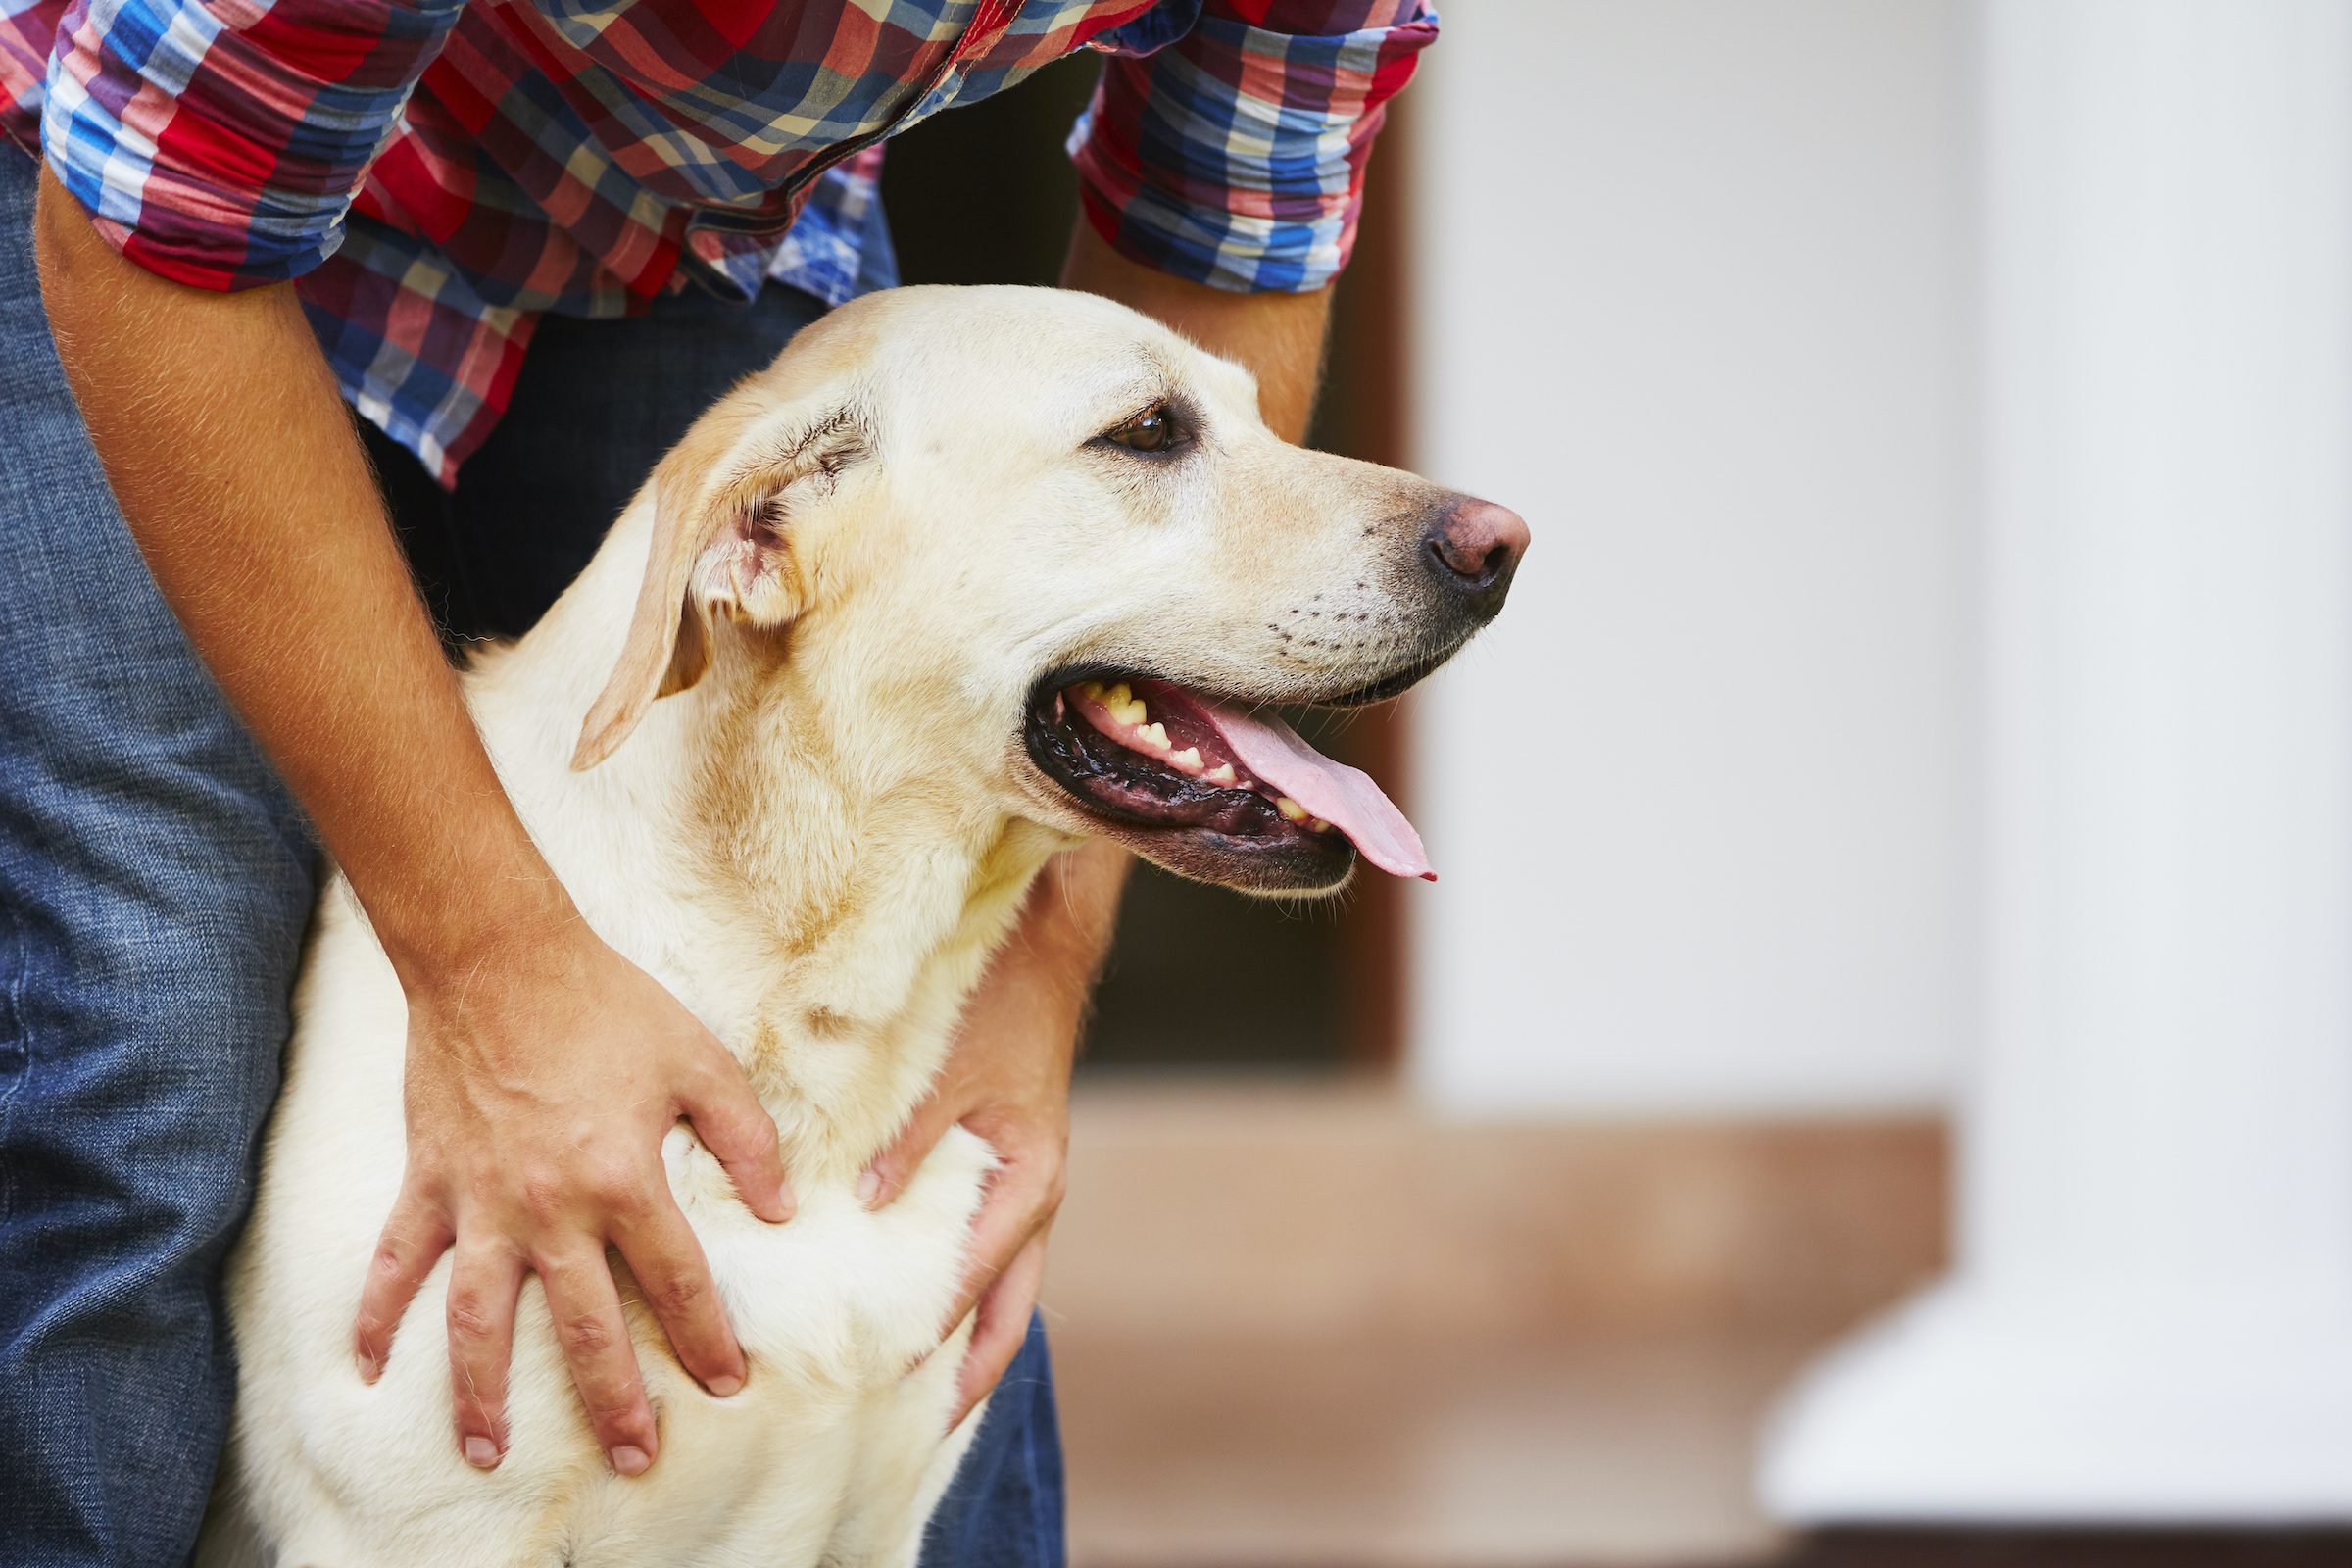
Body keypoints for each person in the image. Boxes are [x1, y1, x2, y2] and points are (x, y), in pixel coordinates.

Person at [0, 1, 1435, 1562]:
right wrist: (493, 969)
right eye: (1144, 435)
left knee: (941, 1141)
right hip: (128, 192)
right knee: (145, 1043)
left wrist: (1037, 961)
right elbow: (154, 217)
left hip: (693, 213)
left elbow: (1222, 241)